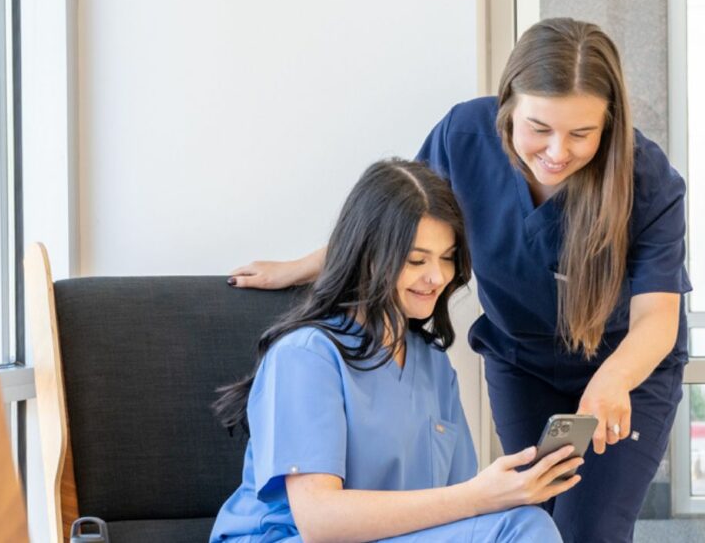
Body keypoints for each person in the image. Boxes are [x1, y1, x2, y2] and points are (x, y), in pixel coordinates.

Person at [230, 18, 690, 542]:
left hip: (624, 364)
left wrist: (613, 380)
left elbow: (657, 318)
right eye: (539, 128)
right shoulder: (466, 135)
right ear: (508, 104)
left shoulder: (644, 178)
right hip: (522, 362)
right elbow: (393, 221)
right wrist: (297, 269)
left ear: (609, 125)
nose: (558, 152)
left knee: (587, 530)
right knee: (533, 514)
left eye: (581, 133)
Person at [210, 159, 579, 542]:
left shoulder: (433, 364)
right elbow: (320, 522)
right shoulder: (306, 357)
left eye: (448, 257)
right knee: (520, 526)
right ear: (368, 256)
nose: (437, 277)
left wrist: (501, 494)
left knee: (525, 519)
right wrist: (477, 499)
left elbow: (459, 508)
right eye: (416, 260)